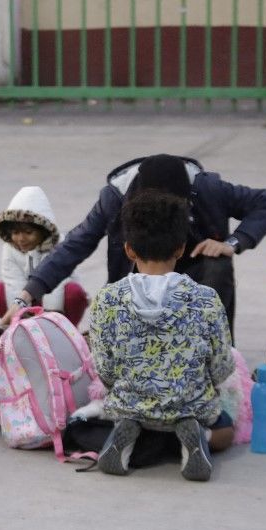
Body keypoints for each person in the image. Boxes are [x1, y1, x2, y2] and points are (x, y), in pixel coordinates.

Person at [2, 154, 266, 334]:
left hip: (195, 271)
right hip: (138, 273)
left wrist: (233, 242)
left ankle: (211, 344)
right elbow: (76, 244)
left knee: (217, 265)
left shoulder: (208, 189)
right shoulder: (115, 198)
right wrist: (27, 293)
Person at [88, 189, 235, 482]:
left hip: (130, 402)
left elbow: (104, 368)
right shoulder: (205, 298)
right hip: (191, 403)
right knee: (227, 431)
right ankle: (195, 434)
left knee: (92, 421)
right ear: (181, 248)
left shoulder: (107, 299)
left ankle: (129, 433)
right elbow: (220, 367)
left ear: (129, 249)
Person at [0, 186, 88, 325]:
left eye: (28, 232)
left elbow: (57, 284)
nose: (21, 239)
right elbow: (13, 281)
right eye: (15, 233)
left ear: (43, 231)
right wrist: (21, 317)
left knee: (74, 292)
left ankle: (67, 332)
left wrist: (50, 321)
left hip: (55, 304)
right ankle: (16, 329)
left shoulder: (59, 245)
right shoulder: (10, 248)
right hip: (25, 300)